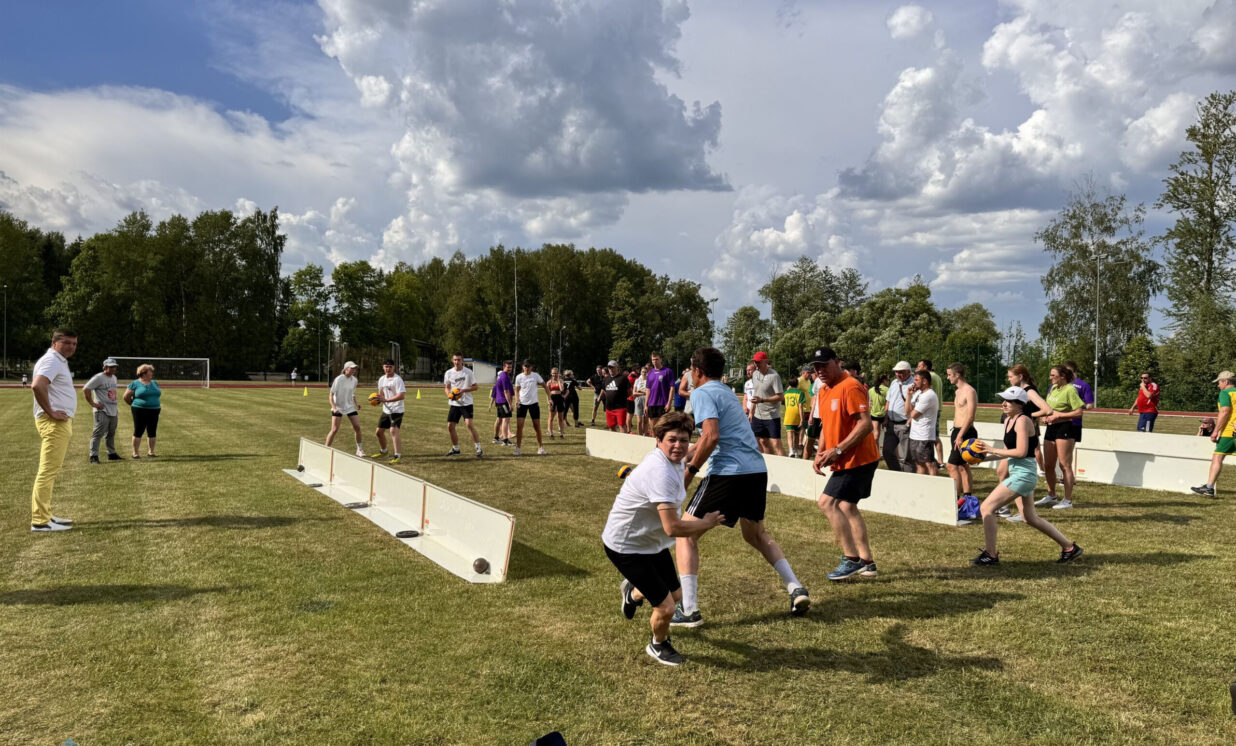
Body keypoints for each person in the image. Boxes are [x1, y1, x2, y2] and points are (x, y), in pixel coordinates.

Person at [674, 346, 810, 627]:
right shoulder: (726, 391)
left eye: (690, 369)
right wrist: (685, 455)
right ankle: (795, 588)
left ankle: (689, 609)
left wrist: (690, 470)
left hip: (729, 473)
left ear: (697, 371)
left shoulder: (701, 393)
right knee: (756, 535)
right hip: (755, 471)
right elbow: (717, 435)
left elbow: (711, 437)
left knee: (685, 535)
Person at [603, 412, 725, 666]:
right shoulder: (659, 472)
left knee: (676, 594)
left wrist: (714, 438)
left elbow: (693, 450)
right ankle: (658, 644)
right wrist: (707, 523)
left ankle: (633, 593)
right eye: (672, 440)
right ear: (658, 439)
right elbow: (672, 528)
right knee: (667, 607)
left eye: (683, 440)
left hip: (650, 542)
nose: (678, 446)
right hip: (627, 546)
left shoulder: (674, 457)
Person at [969, 387, 1083, 566]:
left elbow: (1021, 452)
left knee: (986, 508)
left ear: (1020, 404)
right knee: (1030, 518)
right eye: (1003, 400)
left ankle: (990, 554)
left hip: (1024, 475)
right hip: (1019, 472)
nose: (1003, 404)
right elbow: (1008, 451)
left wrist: (991, 449)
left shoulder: (1023, 421)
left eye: (1008, 401)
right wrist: (982, 458)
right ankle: (1069, 548)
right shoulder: (1009, 420)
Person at [810, 347, 882, 580]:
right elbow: (825, 425)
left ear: (837, 362)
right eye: (816, 367)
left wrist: (838, 449)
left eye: (824, 365)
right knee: (847, 507)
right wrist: (821, 452)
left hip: (858, 458)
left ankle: (851, 559)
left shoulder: (850, 386)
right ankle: (867, 562)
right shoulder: (824, 390)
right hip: (845, 458)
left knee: (827, 503)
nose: (820, 370)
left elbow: (865, 424)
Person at [29, 329, 79, 532]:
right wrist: (50, 411)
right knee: (48, 471)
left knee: (51, 470)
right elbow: (37, 385)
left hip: (56, 422)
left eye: (74, 344)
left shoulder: (58, 360)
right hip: (53, 423)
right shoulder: (52, 360)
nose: (71, 347)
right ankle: (40, 521)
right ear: (54, 343)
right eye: (66, 342)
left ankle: (46, 515)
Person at [999, 364, 1051, 520]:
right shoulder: (1016, 393)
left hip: (1023, 430)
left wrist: (1027, 415)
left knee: (1007, 471)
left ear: (1020, 376)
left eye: (1011, 377)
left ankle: (1005, 507)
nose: (1009, 379)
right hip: (1015, 430)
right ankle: (1019, 511)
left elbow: (1047, 410)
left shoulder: (1029, 391)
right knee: (1003, 471)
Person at [1037, 365, 1086, 510]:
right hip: (1051, 428)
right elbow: (1049, 409)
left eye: (1053, 375)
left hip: (1065, 428)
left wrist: (1059, 415)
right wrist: (1045, 417)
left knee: (1064, 465)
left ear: (1063, 376)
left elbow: (1079, 412)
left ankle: (1067, 500)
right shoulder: (1053, 388)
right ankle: (1051, 495)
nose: (1050, 378)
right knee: (1048, 465)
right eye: (1051, 375)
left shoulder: (1070, 390)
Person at [1191, 371, 1236, 497]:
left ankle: (1209, 487)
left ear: (1226, 382)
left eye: (1219, 382)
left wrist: (1216, 431)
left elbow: (1225, 411)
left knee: (1217, 457)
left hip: (1229, 432)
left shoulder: (1225, 393)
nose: (1218, 385)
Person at [945, 364, 977, 502]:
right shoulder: (957, 391)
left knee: (951, 465)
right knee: (962, 466)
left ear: (957, 375)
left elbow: (970, 416)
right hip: (957, 431)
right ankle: (967, 498)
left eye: (949, 375)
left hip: (966, 431)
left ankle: (955, 499)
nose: (947, 378)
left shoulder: (969, 391)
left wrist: (960, 435)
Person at [444, 354, 483, 458]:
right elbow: (447, 387)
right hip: (454, 404)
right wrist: (449, 395)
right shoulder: (448, 373)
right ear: (452, 360)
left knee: (469, 425)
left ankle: (478, 448)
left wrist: (463, 391)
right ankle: (455, 449)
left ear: (462, 361)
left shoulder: (468, 372)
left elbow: (476, 387)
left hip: (466, 403)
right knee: (450, 426)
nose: (457, 362)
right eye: (455, 360)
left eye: (459, 360)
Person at [83, 357, 122, 463]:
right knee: (98, 433)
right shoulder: (99, 377)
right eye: (111, 367)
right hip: (102, 411)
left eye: (114, 367)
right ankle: (93, 456)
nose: (113, 369)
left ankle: (111, 453)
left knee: (111, 433)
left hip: (113, 410)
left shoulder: (114, 377)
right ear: (105, 367)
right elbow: (86, 389)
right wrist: (93, 404)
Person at [749, 351, 786, 456]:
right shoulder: (755, 374)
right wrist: (751, 412)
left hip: (772, 416)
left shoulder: (774, 376)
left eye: (758, 362)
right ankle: (768, 463)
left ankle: (786, 464)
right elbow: (756, 393)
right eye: (755, 362)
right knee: (762, 441)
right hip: (758, 416)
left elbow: (780, 397)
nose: (756, 364)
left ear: (766, 361)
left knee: (776, 444)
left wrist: (762, 400)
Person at [327, 361, 365, 457]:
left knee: (357, 427)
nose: (354, 370)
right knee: (334, 429)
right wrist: (334, 408)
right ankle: (326, 449)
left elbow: (352, 394)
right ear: (346, 369)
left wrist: (357, 404)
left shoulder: (354, 380)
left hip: (350, 407)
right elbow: (331, 395)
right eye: (352, 368)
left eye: (355, 369)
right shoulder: (339, 379)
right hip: (338, 407)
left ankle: (359, 449)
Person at [371, 358, 406, 463]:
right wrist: (376, 399)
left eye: (390, 366)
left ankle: (397, 456)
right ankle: (384, 451)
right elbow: (381, 393)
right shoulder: (382, 379)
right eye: (386, 366)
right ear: (383, 367)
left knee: (393, 431)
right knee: (379, 432)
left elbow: (401, 395)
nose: (388, 368)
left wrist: (386, 400)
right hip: (386, 410)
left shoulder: (397, 379)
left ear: (394, 367)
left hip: (397, 410)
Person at [124, 364, 162, 458]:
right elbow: (126, 396)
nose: (152, 373)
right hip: (139, 410)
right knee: (138, 430)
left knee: (152, 431)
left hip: (154, 410)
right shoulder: (135, 383)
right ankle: (135, 453)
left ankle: (151, 452)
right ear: (144, 373)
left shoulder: (154, 383)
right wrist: (134, 404)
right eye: (150, 372)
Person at [906, 369, 939, 475]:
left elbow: (913, 414)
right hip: (915, 434)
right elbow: (907, 411)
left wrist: (910, 411)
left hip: (925, 435)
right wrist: (909, 395)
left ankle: (934, 483)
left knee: (929, 464)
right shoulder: (918, 393)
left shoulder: (929, 395)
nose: (914, 382)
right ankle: (922, 484)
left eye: (916, 380)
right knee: (919, 463)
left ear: (924, 381)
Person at [883, 361, 914, 472]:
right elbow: (888, 400)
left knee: (908, 456)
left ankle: (909, 478)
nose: (897, 374)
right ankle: (897, 473)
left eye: (900, 372)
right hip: (891, 423)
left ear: (908, 372)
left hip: (905, 423)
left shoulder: (914, 384)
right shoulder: (894, 383)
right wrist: (886, 417)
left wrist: (910, 421)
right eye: (896, 372)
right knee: (887, 451)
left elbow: (916, 406)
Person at [513, 359, 547, 455]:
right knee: (519, 427)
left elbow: (545, 386)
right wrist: (517, 400)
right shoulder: (519, 377)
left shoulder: (535, 376)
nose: (527, 368)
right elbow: (517, 390)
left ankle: (540, 448)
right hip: (522, 404)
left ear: (532, 367)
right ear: (522, 367)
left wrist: (549, 398)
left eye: (528, 366)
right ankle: (517, 449)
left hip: (534, 404)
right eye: (525, 366)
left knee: (537, 426)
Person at [917, 360, 945, 466]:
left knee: (933, 436)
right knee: (934, 435)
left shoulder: (929, 376)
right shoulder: (937, 376)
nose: (917, 368)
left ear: (925, 367)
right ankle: (938, 460)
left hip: (931, 409)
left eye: (919, 366)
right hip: (937, 408)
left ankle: (939, 461)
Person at [1064, 360, 1094, 444]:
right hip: (1073, 422)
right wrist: (1079, 406)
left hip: (1064, 421)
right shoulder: (1084, 385)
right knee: (1068, 450)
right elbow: (1090, 405)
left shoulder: (1059, 383)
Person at [644, 353, 675, 431]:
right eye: (653, 360)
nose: (655, 361)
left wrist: (669, 403)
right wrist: (646, 405)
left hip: (663, 403)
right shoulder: (650, 373)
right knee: (653, 427)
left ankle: (661, 439)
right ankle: (654, 439)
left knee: (663, 427)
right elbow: (648, 389)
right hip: (651, 403)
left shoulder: (668, 371)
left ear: (661, 359)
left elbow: (672, 388)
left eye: (656, 359)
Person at [602, 360, 633, 433]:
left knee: (622, 425)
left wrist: (621, 397)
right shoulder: (606, 379)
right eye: (609, 368)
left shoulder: (623, 378)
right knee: (611, 426)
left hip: (620, 407)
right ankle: (613, 440)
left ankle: (623, 440)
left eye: (612, 367)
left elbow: (630, 392)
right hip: (609, 407)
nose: (611, 369)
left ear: (617, 367)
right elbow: (605, 391)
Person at [491, 360, 515, 446]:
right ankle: (505, 440)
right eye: (508, 367)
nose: (509, 369)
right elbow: (506, 391)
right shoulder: (504, 376)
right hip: (503, 401)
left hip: (499, 401)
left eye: (510, 367)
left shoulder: (504, 375)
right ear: (504, 367)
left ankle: (496, 438)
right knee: (506, 419)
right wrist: (510, 404)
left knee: (499, 419)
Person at [783, 377, 806, 458]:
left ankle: (791, 451)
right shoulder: (800, 393)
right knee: (796, 434)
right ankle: (795, 452)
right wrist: (802, 419)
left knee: (789, 434)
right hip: (797, 416)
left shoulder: (786, 393)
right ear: (797, 384)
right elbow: (800, 407)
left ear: (789, 384)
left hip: (788, 415)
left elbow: (785, 405)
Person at [869, 374, 889, 448]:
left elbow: (870, 403)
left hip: (874, 414)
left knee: (876, 434)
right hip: (885, 414)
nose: (888, 382)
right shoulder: (887, 389)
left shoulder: (871, 390)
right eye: (888, 380)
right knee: (891, 435)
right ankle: (895, 453)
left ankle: (876, 452)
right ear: (884, 380)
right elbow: (888, 403)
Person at [547, 368, 567, 439]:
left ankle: (561, 433)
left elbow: (562, 389)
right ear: (551, 373)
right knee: (551, 417)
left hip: (560, 399)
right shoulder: (549, 382)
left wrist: (558, 380)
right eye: (553, 373)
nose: (554, 375)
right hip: (552, 398)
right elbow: (548, 393)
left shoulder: (561, 381)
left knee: (560, 417)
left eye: (556, 373)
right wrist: (548, 401)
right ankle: (551, 433)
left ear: (558, 373)